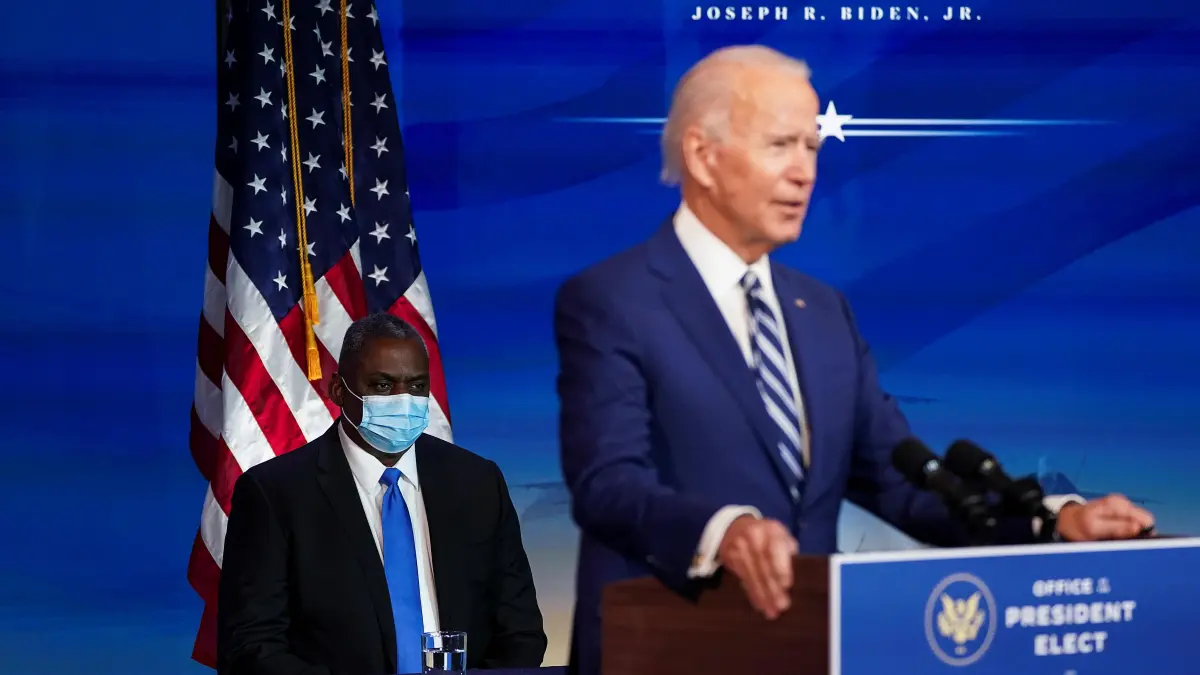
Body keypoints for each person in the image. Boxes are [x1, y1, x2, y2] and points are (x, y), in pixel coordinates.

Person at [552, 45, 1156, 675]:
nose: (804, 172)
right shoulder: (613, 299)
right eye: (780, 145)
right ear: (703, 156)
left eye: (811, 147)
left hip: (803, 651)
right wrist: (723, 532)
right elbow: (607, 484)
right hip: (662, 649)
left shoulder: (822, 312)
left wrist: (1052, 522)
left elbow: (903, 482)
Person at [218, 313, 547, 675]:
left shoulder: (477, 482)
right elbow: (252, 645)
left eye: (417, 386)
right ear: (339, 390)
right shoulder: (275, 494)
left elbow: (520, 630)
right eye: (383, 386)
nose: (404, 401)